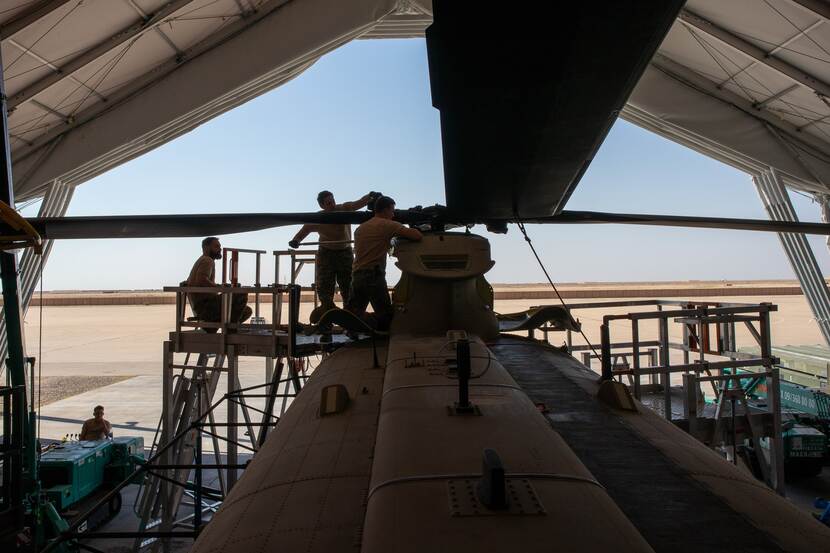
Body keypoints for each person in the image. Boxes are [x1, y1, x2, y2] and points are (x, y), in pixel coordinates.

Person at [289, 190, 376, 322]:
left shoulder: (344, 209)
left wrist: (370, 197)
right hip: (326, 254)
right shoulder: (318, 218)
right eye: (329, 203)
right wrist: (296, 240)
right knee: (324, 290)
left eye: (333, 201)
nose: (333, 205)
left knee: (349, 290)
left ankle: (351, 325)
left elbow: (358, 204)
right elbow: (304, 230)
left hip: (345, 253)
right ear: (322, 206)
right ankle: (326, 326)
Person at [347, 195, 422, 330]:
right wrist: (415, 225)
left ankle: (355, 330)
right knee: (386, 316)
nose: (393, 215)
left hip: (357, 274)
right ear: (386, 209)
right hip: (373, 275)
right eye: (392, 211)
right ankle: (372, 325)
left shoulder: (361, 228)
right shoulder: (388, 225)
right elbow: (416, 236)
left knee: (353, 314)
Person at [187, 237, 252, 329]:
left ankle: (214, 327)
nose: (220, 249)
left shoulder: (202, 260)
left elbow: (195, 280)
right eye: (216, 246)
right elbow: (201, 279)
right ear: (206, 248)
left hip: (202, 307)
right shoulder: (207, 260)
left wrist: (219, 286)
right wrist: (219, 286)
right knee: (241, 294)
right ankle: (230, 329)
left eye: (219, 247)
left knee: (246, 311)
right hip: (206, 307)